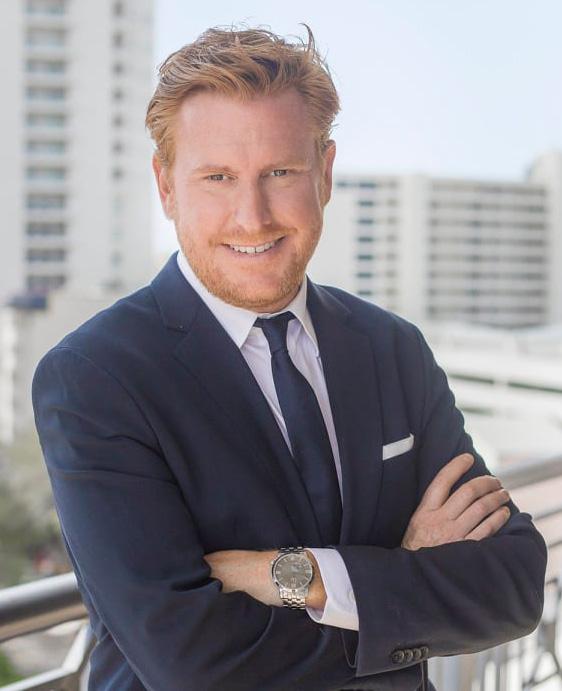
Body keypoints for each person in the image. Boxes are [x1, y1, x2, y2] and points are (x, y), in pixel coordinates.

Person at [32, 24, 546, 691]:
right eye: (218, 177)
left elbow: (513, 584)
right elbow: (194, 665)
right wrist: (403, 572)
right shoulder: (95, 378)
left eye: (280, 172)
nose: (253, 217)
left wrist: (298, 577)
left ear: (324, 173)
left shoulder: (392, 348)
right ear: (166, 187)